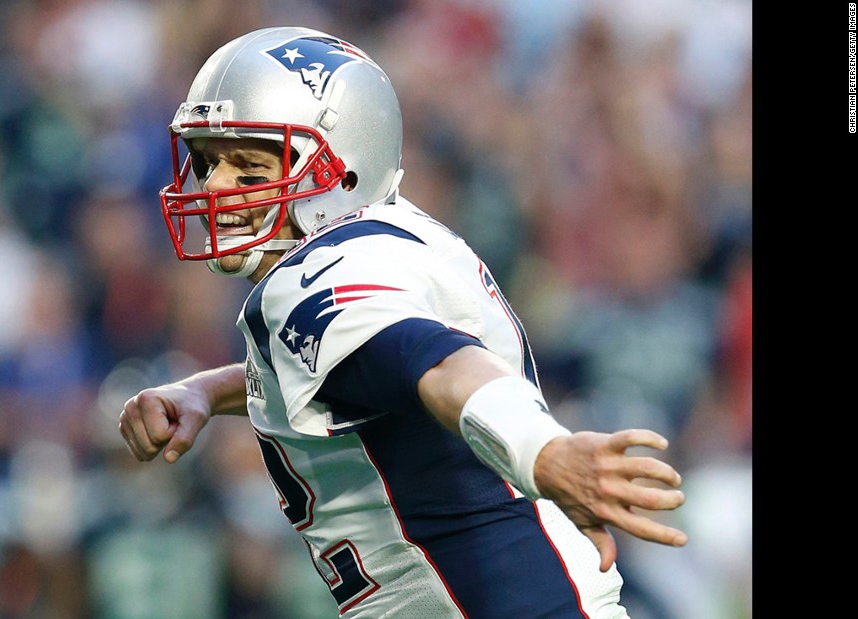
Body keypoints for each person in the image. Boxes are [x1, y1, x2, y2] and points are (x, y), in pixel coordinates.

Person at [119, 26, 687, 618]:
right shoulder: (393, 239)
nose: (215, 187)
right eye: (209, 161)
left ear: (338, 173)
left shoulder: (310, 277)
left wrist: (544, 455)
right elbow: (358, 368)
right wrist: (207, 390)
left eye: (251, 168)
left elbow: (437, 366)